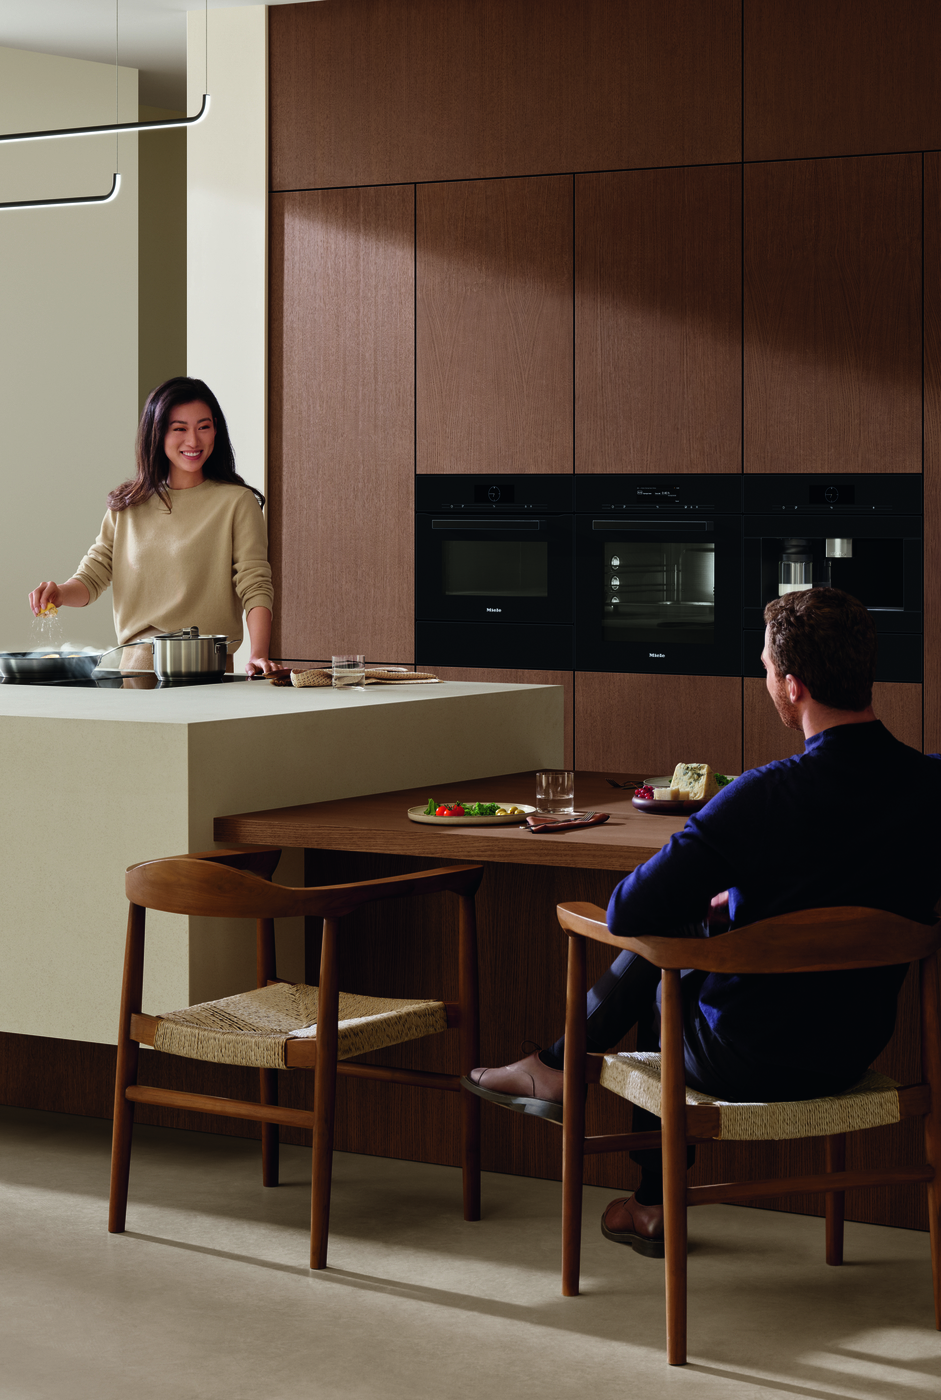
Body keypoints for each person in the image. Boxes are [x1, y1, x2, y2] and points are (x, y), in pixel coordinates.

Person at [466, 587, 941, 1257]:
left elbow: (629, 910)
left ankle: (626, 1162)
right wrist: (745, 907)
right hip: (854, 1052)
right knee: (687, 939)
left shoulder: (761, 794)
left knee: (668, 954)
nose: (767, 681)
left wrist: (711, 906)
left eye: (767, 669)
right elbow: (855, 873)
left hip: (739, 1061)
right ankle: (570, 1095)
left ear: (793, 685)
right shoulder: (930, 785)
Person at [29, 376, 275, 676]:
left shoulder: (237, 502)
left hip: (209, 669)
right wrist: (60, 594)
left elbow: (255, 584)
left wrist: (258, 654)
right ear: (157, 434)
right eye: (179, 429)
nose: (193, 441)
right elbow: (92, 578)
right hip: (136, 667)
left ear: (216, 431)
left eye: (204, 427)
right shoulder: (128, 505)